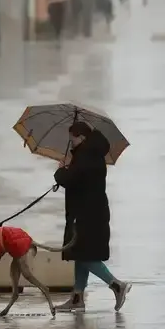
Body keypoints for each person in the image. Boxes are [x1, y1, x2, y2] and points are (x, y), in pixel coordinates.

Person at [53, 122, 131, 312]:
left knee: (86, 256)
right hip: (91, 212)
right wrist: (69, 166)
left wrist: (61, 170)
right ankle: (77, 298)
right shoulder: (89, 155)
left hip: (87, 215)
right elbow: (79, 179)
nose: (70, 142)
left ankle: (116, 285)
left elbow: (70, 180)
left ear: (82, 137)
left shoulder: (85, 156)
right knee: (80, 254)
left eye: (72, 138)